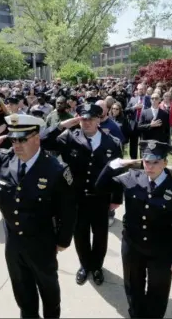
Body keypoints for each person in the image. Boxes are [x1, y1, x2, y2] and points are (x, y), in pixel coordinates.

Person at [0, 114, 76, 318]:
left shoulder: (56, 169)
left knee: (48, 288)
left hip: (42, 239)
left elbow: (68, 210)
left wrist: (63, 241)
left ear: (37, 138)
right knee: (22, 289)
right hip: (13, 239)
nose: (16, 144)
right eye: (13, 139)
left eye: (22, 139)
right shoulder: (1, 160)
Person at [95, 140, 172, 318]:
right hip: (133, 246)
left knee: (158, 291)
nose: (150, 167)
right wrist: (113, 165)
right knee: (133, 286)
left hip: (161, 250)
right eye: (146, 161)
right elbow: (100, 187)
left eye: (155, 162)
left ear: (165, 162)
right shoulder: (131, 177)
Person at [41, 104, 123, 286]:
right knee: (80, 233)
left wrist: (117, 198)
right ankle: (85, 265)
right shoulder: (69, 137)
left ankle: (97, 266)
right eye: (83, 119)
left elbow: (118, 172)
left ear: (99, 120)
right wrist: (64, 125)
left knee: (101, 234)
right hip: (76, 198)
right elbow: (44, 141)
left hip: (101, 198)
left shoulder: (112, 142)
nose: (86, 123)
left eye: (91, 119)